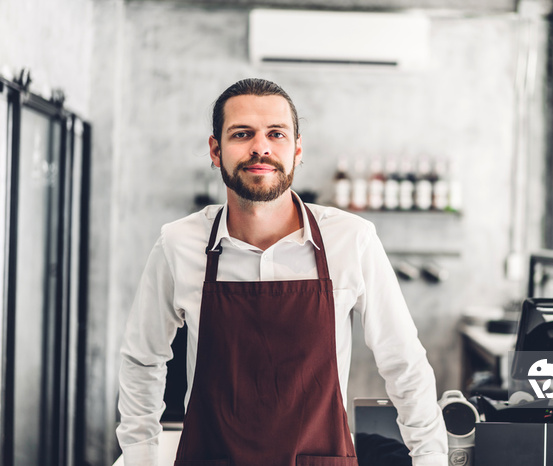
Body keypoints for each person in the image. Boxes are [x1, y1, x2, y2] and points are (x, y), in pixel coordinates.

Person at [116, 78, 448, 466]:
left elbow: (403, 361)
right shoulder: (177, 244)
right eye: (242, 134)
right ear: (215, 150)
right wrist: (140, 459)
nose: (261, 147)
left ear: (297, 150)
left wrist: (430, 459)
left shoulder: (351, 241)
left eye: (276, 133)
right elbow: (143, 360)